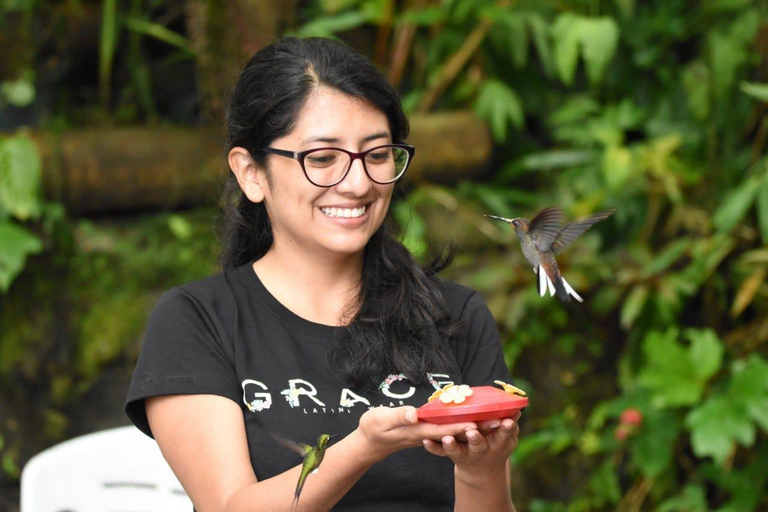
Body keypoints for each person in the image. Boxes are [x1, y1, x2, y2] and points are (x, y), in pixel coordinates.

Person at [125, 36, 520, 511]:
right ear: (251, 172)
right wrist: (361, 447)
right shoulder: (199, 320)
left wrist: (481, 470)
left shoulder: (454, 315)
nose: (357, 184)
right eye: (322, 159)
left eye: (376, 155)